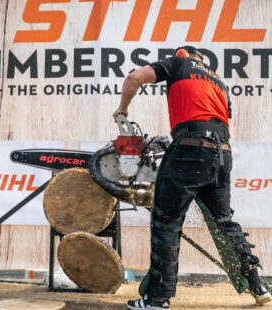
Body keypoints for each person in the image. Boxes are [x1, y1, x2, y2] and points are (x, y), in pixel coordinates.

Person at [112, 46, 271, 310]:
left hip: (190, 149)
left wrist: (122, 109)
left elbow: (133, 78)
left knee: (166, 221)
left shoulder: (178, 64)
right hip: (221, 154)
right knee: (224, 221)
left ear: (183, 55)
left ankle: (158, 299)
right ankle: (258, 285)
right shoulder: (218, 81)